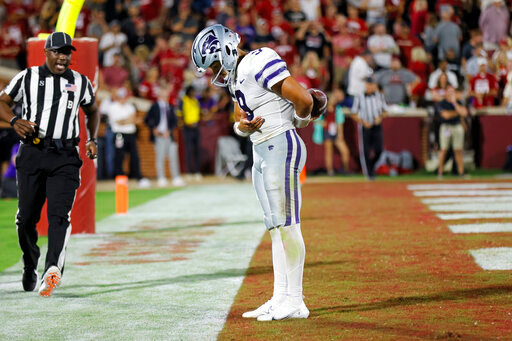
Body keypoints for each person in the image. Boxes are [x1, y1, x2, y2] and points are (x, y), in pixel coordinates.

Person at [192, 24, 327, 321]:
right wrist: (244, 128)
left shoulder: (259, 60)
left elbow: (303, 100)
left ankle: (295, 300)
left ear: (226, 49)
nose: (216, 70)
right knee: (276, 228)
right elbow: (240, 120)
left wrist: (300, 122)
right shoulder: (237, 76)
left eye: (214, 62)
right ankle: (281, 296)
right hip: (260, 149)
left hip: (281, 143)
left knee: (288, 225)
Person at [0, 32, 99, 296]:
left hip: (65, 156)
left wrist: (93, 138)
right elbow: (2, 101)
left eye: (67, 52)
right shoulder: (27, 77)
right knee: (26, 219)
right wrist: (13, 121)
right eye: (57, 51)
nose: (63, 57)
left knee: (59, 215)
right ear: (46, 52)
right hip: (33, 153)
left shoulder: (80, 82)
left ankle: (52, 269)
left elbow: (93, 110)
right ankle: (30, 263)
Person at [105, 87, 150, 188]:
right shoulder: (113, 107)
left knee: (135, 156)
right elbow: (118, 122)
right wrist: (129, 120)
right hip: (119, 135)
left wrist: (127, 120)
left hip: (130, 134)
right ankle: (119, 178)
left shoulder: (130, 106)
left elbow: (135, 120)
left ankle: (139, 177)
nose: (125, 99)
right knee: (119, 156)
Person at [144, 85, 185, 187]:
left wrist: (169, 131)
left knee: (173, 157)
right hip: (159, 136)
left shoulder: (170, 107)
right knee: (160, 158)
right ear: (159, 94)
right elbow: (147, 120)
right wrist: (154, 128)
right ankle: (161, 178)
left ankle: (176, 177)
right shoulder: (154, 107)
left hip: (169, 136)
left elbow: (174, 122)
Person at [351, 76, 388, 180]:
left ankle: (371, 166)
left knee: (379, 150)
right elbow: (353, 113)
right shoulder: (359, 97)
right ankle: (369, 174)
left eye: (372, 84)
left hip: (376, 125)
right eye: (369, 84)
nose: (370, 87)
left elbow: (385, 111)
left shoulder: (379, 96)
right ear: (365, 85)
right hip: (365, 126)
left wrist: (379, 118)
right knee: (366, 151)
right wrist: (363, 122)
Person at [436, 86, 468, 177]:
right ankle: (440, 172)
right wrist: (457, 112)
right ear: (445, 92)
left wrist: (455, 104)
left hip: (457, 126)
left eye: (452, 92)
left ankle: (461, 172)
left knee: (458, 150)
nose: (451, 94)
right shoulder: (442, 103)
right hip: (446, 127)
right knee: (444, 149)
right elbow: (446, 115)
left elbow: (464, 113)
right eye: (449, 92)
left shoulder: (458, 102)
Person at [177, 86, 202, 180]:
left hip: (196, 127)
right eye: (192, 92)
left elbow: (198, 112)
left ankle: (197, 171)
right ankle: (188, 172)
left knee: (197, 150)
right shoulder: (183, 100)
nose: (194, 94)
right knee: (188, 150)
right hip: (187, 128)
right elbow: (179, 114)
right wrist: (183, 124)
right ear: (188, 92)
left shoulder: (195, 101)